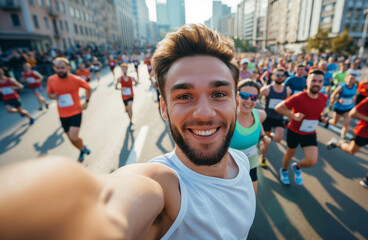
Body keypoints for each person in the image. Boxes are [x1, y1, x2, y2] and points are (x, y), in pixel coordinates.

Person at [0, 24, 255, 240]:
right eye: (185, 96)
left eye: (219, 94)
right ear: (163, 108)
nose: (204, 113)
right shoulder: (165, 186)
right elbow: (107, 205)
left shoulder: (241, 160)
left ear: (236, 100)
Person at [274, 69, 328, 185]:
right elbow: (278, 107)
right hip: (295, 131)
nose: (316, 84)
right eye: (313, 81)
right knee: (290, 154)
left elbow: (319, 112)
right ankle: (283, 170)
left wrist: (321, 117)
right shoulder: (298, 97)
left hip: (310, 133)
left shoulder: (324, 98)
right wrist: (293, 115)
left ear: (323, 83)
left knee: (311, 161)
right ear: (307, 81)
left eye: (320, 81)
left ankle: (297, 167)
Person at [46, 57, 92, 162]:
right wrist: (53, 96)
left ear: (68, 68)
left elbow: (89, 89)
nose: (60, 70)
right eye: (58, 68)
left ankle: (82, 148)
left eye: (63, 67)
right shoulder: (51, 80)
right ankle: (82, 149)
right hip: (62, 114)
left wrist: (86, 102)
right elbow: (49, 94)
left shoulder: (75, 79)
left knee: (74, 137)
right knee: (71, 139)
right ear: (54, 68)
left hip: (76, 111)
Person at [230, 79, 269, 195]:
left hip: (250, 159)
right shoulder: (228, 118)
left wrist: (264, 137)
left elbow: (259, 126)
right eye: (244, 96)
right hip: (230, 163)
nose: (248, 100)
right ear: (237, 96)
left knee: (252, 196)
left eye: (253, 97)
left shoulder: (261, 115)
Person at [259, 67, 288, 168]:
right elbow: (256, 98)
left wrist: (288, 116)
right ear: (273, 76)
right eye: (278, 75)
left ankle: (268, 135)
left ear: (284, 77)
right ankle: (263, 156)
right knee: (266, 142)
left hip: (278, 118)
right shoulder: (266, 89)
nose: (280, 77)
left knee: (278, 139)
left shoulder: (287, 90)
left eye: (282, 76)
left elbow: (289, 104)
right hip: (267, 118)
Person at [326, 73, 357, 140]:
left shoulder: (355, 87)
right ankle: (327, 121)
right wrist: (338, 100)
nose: (351, 80)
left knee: (347, 123)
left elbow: (354, 94)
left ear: (354, 80)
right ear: (346, 79)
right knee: (334, 122)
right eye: (350, 78)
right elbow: (332, 96)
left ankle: (343, 138)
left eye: (353, 79)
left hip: (348, 108)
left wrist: (354, 98)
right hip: (339, 107)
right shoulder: (341, 87)